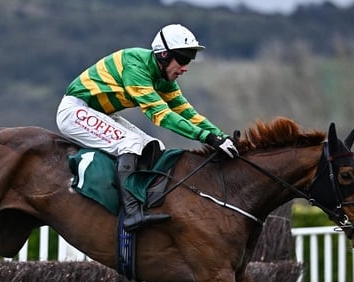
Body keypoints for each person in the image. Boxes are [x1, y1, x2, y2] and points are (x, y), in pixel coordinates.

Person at [56, 23, 238, 232]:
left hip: (97, 113)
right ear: (163, 55)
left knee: (152, 145)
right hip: (74, 111)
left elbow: (188, 113)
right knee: (132, 143)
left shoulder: (164, 78)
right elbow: (161, 115)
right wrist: (206, 138)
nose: (186, 67)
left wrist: (220, 136)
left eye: (190, 60)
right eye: (184, 59)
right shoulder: (135, 65)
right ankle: (131, 213)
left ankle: (145, 201)